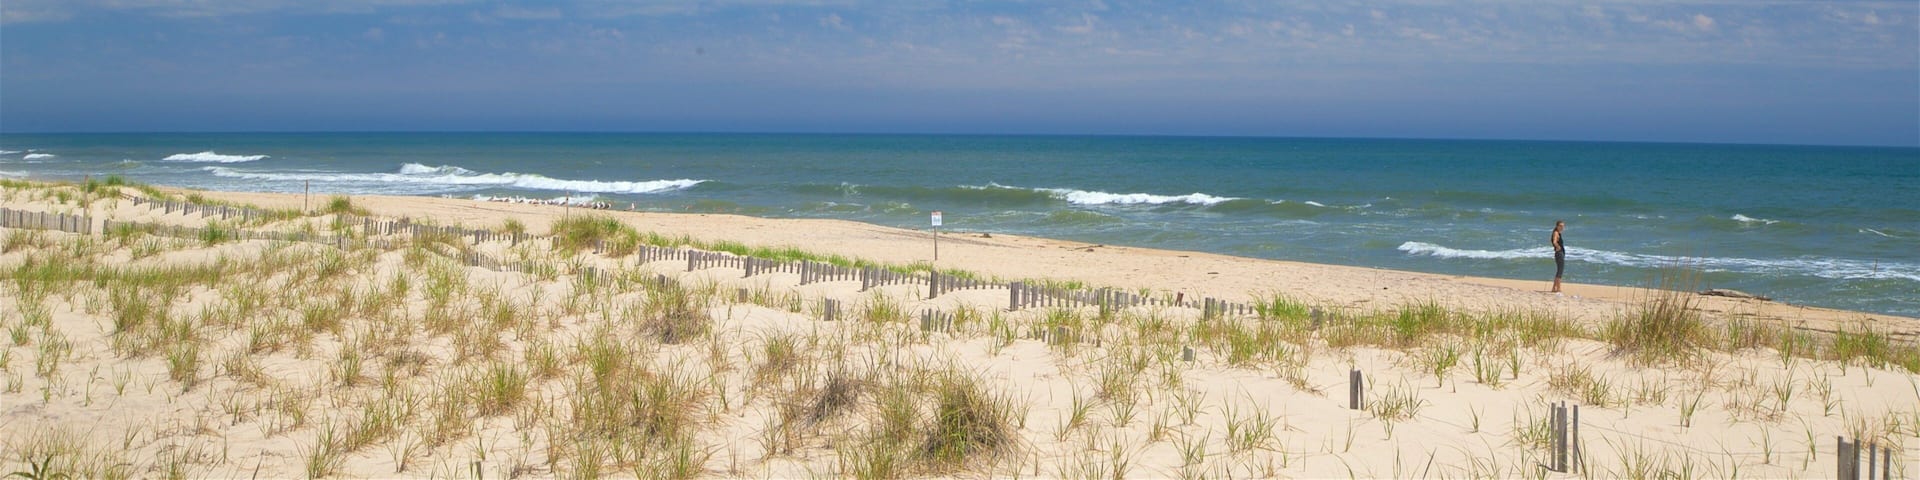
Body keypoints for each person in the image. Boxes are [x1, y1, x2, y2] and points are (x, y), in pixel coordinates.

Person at [1550, 220, 1566, 293]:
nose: (1562, 227)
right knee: (1560, 272)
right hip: (1559, 253)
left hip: (1559, 254)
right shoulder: (1556, 233)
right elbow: (1554, 241)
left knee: (1559, 271)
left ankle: (1554, 288)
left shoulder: (1557, 233)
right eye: (1560, 226)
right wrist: (1558, 247)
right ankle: (1558, 289)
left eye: (1563, 226)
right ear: (1557, 226)